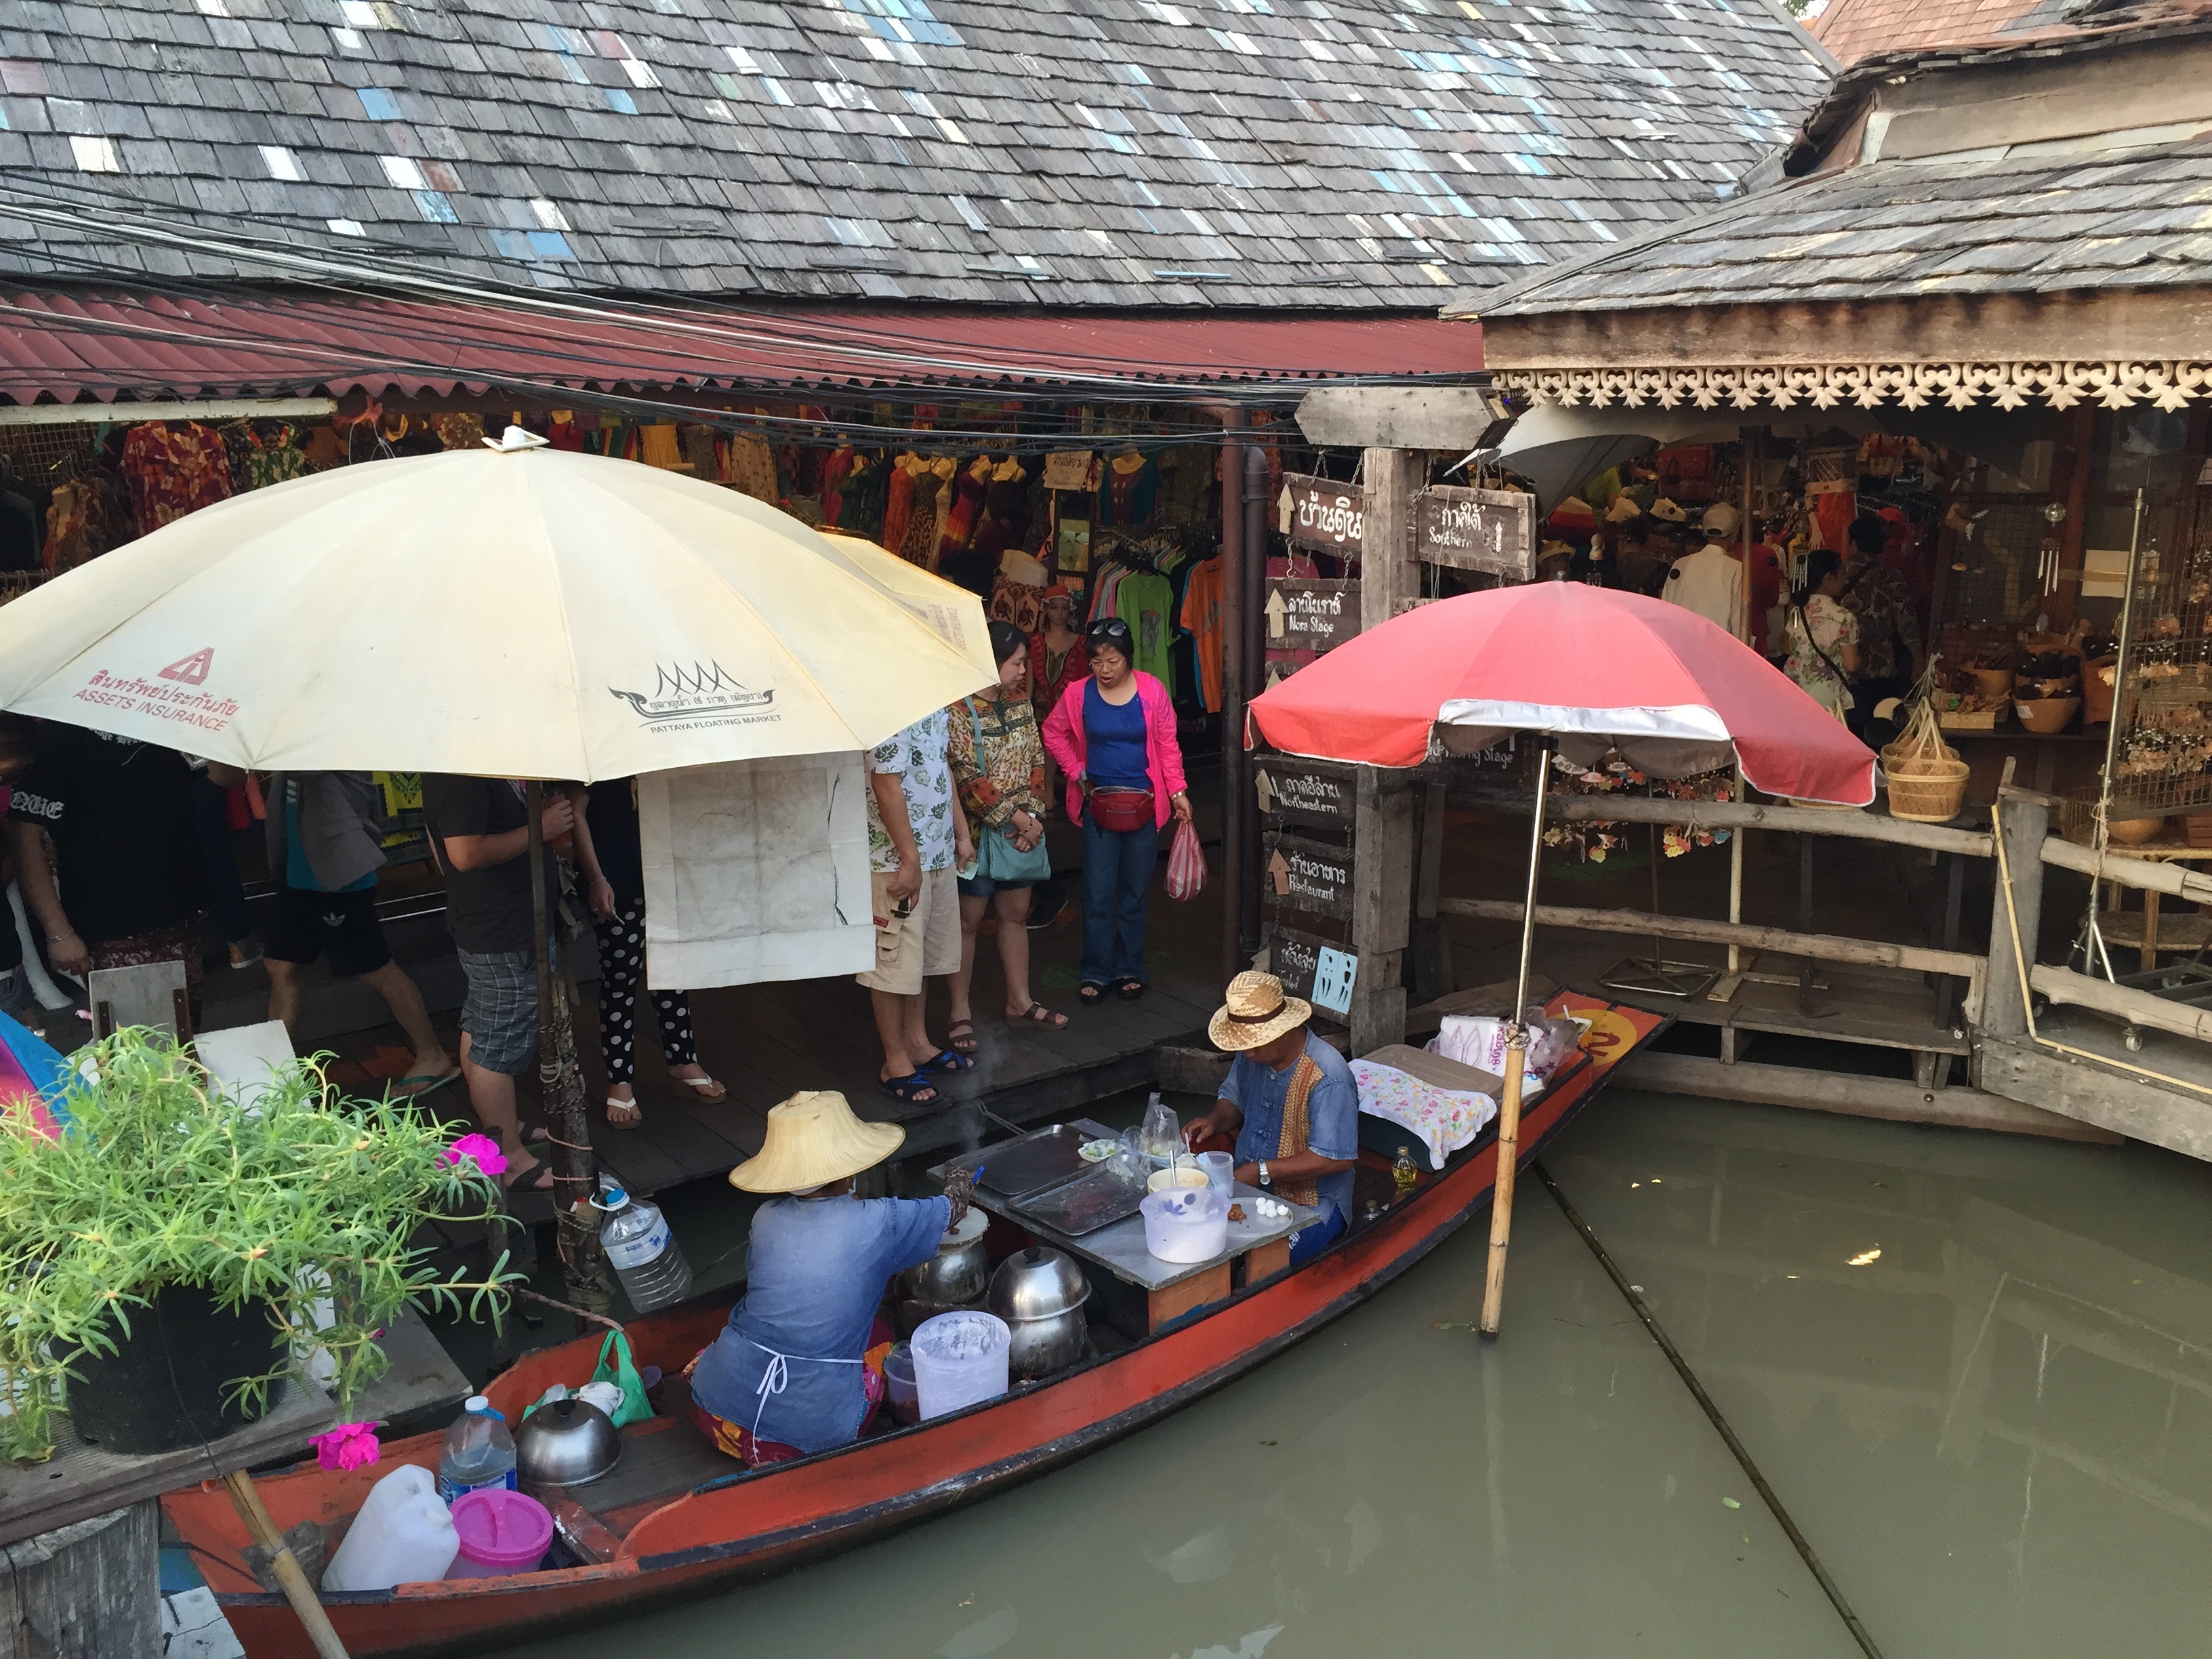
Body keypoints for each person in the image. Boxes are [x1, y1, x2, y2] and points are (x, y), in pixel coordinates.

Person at [687, 1090, 977, 1466]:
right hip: (807, 1438)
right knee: (883, 1338)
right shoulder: (881, 1220)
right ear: (849, 1168)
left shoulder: (765, 1217)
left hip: (716, 1411)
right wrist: (960, 1178)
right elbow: (952, 1209)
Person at [420, 773, 575, 1191]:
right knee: (497, 1041)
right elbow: (464, 854)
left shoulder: (466, 765)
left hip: (492, 921)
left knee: (482, 1024)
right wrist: (540, 829)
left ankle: (496, 1134)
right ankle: (510, 1161)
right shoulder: (461, 772)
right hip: (501, 926)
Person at [263, 770, 455, 1098]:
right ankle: (272, 1074)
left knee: (375, 969)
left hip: (340, 877)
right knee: (281, 965)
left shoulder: (327, 736)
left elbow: (307, 764)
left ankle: (432, 1055)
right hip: (301, 875)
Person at [5, 721, 210, 1019]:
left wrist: (217, 735)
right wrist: (59, 934)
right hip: (107, 926)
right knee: (135, 1043)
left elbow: (222, 777)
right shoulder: (58, 737)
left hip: (180, 909)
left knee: (187, 1031)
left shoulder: (162, 719)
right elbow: (26, 840)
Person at [1041, 615, 1190, 1005]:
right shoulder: (1077, 694)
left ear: (1129, 659)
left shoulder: (1152, 691)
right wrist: (1075, 771)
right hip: (1099, 806)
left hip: (1144, 803)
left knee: (1136, 892)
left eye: (1113, 661)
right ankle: (1095, 969)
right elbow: (1053, 731)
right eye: (1097, 661)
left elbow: (1168, 744)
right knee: (1097, 892)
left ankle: (1129, 967)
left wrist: (1177, 792)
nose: (1104, 670)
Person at [576, 777, 724, 1128]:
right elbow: (577, 814)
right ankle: (620, 1079)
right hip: (616, 877)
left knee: (672, 967)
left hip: (664, 870)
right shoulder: (594, 749)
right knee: (620, 980)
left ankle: (682, 1058)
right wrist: (596, 877)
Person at [1182, 970, 1357, 1264]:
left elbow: (1335, 1158)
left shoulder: (1328, 1076)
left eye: (1256, 1043)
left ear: (1285, 1029)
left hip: (1313, 1204)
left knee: (1263, 1265)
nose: (1248, 1052)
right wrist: (1214, 1120)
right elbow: (1233, 1100)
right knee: (1196, 1241)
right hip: (1246, 1189)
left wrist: (1261, 1171)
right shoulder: (1253, 1053)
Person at [947, 621, 1065, 1053]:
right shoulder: (959, 712)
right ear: (991, 663)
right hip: (978, 837)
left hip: (1022, 831)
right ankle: (959, 1012)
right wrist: (1018, 820)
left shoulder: (1020, 704)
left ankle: (1020, 1000)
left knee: (1015, 914)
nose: (1023, 671)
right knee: (968, 921)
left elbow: (1037, 759)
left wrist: (1032, 818)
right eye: (1016, 662)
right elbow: (966, 777)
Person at [863, 706, 973, 1105]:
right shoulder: (887, 703)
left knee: (921, 956)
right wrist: (909, 859)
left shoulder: (934, 701)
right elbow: (885, 782)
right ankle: (894, 1061)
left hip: (936, 850)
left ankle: (917, 1042)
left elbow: (941, 769)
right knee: (892, 961)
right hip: (894, 859)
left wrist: (961, 833)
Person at [1841, 514, 1925, 738]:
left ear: (1853, 542)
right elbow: (1907, 623)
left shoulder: (1835, 577)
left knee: (1846, 733)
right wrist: (1918, 659)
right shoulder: (1892, 578)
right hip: (1881, 671)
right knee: (1882, 732)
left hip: (1842, 672)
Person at [1784, 548, 1860, 722]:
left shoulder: (1796, 613)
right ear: (1828, 578)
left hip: (1795, 691)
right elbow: (1851, 664)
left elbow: (1792, 648)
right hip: (1828, 697)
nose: (1845, 579)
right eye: (1841, 574)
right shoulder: (1844, 618)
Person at [1660, 502, 1747, 638]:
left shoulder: (1681, 564)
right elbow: (1739, 621)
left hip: (1681, 643)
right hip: (1717, 647)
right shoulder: (1737, 569)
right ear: (1735, 535)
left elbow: (1666, 610)